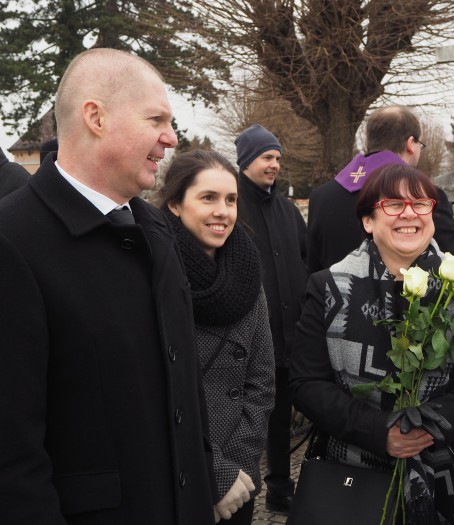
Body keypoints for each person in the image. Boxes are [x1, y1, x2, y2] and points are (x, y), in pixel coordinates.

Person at [0, 48, 215, 524]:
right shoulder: (13, 241)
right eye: (155, 118)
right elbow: (11, 455)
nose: (170, 137)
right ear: (95, 117)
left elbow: (184, 388)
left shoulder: (155, 230)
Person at [290, 164, 454, 523]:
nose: (409, 213)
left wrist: (425, 426)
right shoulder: (328, 287)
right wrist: (379, 431)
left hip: (448, 475)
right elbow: (306, 382)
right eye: (393, 204)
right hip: (353, 478)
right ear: (369, 221)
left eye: (421, 203)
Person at [157, 150, 276, 524]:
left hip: (237, 482)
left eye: (231, 199)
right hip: (175, 474)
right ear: (175, 204)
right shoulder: (154, 271)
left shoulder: (246, 270)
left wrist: (235, 470)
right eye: (208, 198)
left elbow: (261, 380)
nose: (222, 211)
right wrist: (211, 472)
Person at [234, 124, 308, 515]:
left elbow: (304, 259)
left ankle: (281, 487)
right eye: (266, 157)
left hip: (289, 333)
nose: (274, 165)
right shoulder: (233, 207)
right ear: (246, 161)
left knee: (282, 418)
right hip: (247, 335)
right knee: (249, 418)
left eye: (277, 158)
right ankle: (237, 489)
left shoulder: (288, 211)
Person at [307, 105, 454, 273]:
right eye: (421, 144)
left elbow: (313, 268)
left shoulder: (320, 197)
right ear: (411, 144)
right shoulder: (425, 198)